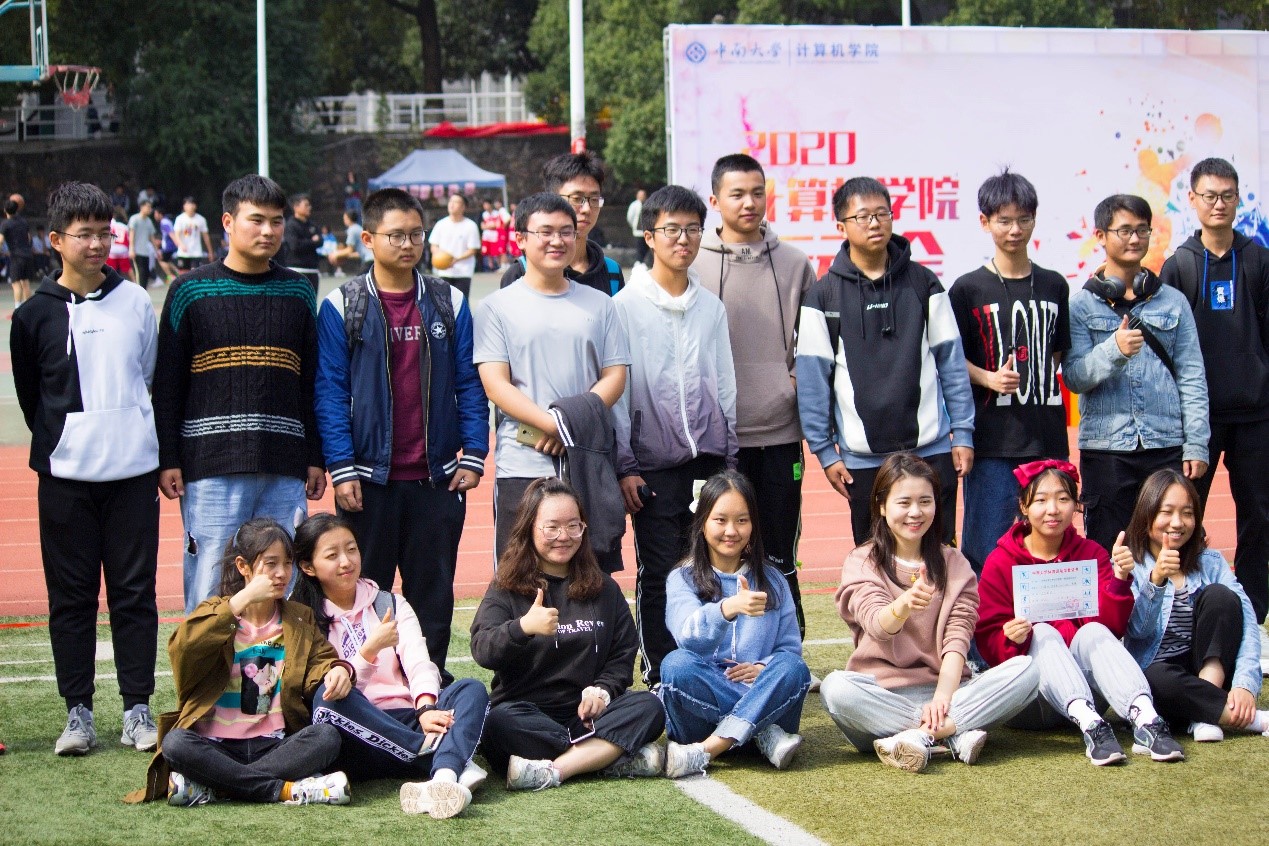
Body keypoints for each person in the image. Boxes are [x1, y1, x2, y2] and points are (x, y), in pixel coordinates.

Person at [10, 181, 161, 756]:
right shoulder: (32, 315)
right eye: (84, 234)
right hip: (66, 479)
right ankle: (78, 713)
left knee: (134, 595)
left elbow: (147, 375)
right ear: (55, 240)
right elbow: (34, 398)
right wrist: (67, 439)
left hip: (132, 475)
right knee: (70, 598)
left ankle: (137, 709)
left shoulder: (135, 301)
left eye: (105, 233)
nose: (97, 244)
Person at [315, 187, 489, 684]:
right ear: (369, 239)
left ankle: (428, 689)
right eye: (396, 235)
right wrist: (341, 466)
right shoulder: (342, 305)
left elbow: (469, 382)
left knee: (432, 597)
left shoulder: (449, 301)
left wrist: (475, 452)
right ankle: (367, 690)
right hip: (368, 481)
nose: (408, 244)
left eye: (416, 234)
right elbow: (330, 391)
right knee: (358, 593)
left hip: (436, 479)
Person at [154, 175, 326, 614]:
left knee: (282, 586)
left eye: (276, 221)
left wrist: (315, 455)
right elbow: (168, 384)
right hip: (211, 465)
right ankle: (206, 662)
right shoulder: (189, 291)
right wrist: (168, 457)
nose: (268, 231)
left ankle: (278, 663)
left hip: (283, 465)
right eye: (256, 220)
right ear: (228, 222)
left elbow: (310, 382)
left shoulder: (298, 292)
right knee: (211, 583)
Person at [820, 453, 1038, 773]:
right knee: (836, 688)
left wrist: (942, 700)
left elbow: (956, 642)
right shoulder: (862, 561)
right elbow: (877, 625)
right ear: (882, 506)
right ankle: (951, 732)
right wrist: (904, 605)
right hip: (882, 698)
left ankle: (922, 736)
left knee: (1027, 669)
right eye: (904, 502)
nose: (915, 512)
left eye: (925, 501)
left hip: (947, 693)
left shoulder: (955, 564)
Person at [796, 177, 975, 546]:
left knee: (938, 553)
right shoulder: (823, 296)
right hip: (862, 458)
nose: (874, 223)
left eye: (882, 214)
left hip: (931, 448)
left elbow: (951, 362)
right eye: (862, 216)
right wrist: (825, 452)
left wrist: (963, 432)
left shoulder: (924, 283)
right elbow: (813, 380)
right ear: (841, 226)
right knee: (872, 559)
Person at [127, 519, 353, 807]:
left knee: (326, 737)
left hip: (274, 744)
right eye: (270, 564)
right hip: (215, 746)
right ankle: (286, 791)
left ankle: (219, 786)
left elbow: (322, 660)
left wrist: (338, 669)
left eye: (287, 564)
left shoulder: (298, 616)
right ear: (243, 566)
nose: (282, 573)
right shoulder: (216, 612)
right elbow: (183, 648)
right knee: (175, 743)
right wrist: (240, 601)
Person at [974, 459, 1185, 764]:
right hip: (1032, 702)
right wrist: (1009, 638)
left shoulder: (1091, 554)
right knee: (1041, 632)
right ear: (1023, 506)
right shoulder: (1000, 561)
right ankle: (1092, 727)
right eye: (1041, 500)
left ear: (1075, 505)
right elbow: (988, 642)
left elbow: (1112, 629)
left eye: (1063, 499)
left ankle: (1147, 720)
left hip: (1091, 691)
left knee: (1093, 631)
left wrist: (1120, 580)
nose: (1053, 509)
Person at [613, 184, 737, 685]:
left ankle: (706, 669)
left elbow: (725, 384)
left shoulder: (711, 308)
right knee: (661, 572)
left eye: (692, 229)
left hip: (708, 461)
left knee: (708, 568)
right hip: (652, 464)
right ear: (649, 236)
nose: (683, 239)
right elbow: (618, 393)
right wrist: (627, 465)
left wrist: (730, 458)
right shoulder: (624, 306)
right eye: (671, 229)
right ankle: (661, 674)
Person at [470, 478, 666, 790]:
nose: (564, 536)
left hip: (587, 715)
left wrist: (602, 691)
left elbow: (622, 654)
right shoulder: (507, 587)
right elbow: (483, 648)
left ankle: (557, 769)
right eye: (552, 528)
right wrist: (522, 628)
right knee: (497, 723)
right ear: (530, 528)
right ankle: (607, 756)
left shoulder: (604, 588)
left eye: (573, 526)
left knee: (650, 706)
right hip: (527, 715)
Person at [290, 513, 490, 819]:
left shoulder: (388, 604)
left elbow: (419, 662)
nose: (346, 561)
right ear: (308, 567)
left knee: (470, 690)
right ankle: (444, 757)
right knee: (328, 698)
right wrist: (369, 651)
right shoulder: (302, 618)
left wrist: (425, 707)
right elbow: (330, 692)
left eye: (351, 549)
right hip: (356, 734)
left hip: (409, 718)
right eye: (332, 555)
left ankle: (443, 778)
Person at [695, 153, 818, 639]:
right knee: (719, 549)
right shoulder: (694, 262)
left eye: (757, 193)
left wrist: (792, 382)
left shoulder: (794, 264)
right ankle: (723, 648)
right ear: (715, 200)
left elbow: (814, 343)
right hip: (716, 437)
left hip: (780, 432)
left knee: (780, 549)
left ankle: (788, 648)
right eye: (737, 194)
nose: (749, 203)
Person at [474, 193, 629, 565]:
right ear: (521, 239)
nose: (557, 241)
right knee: (519, 576)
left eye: (566, 231)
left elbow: (615, 376)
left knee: (588, 576)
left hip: (587, 460)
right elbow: (496, 384)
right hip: (523, 462)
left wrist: (569, 428)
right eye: (545, 232)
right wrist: (553, 425)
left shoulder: (601, 304)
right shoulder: (496, 307)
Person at [1064, 193, 1209, 554]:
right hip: (1106, 450)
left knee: (1171, 549)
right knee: (1110, 552)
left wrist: (1196, 443)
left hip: (1166, 446)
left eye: (1142, 230)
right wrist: (1113, 349)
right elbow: (1075, 377)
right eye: (1125, 230)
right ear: (1101, 236)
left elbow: (1192, 377)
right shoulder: (1080, 305)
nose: (1134, 239)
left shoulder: (1173, 301)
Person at [1160, 157, 1269, 638]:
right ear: (1193, 200)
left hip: (1256, 413)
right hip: (1198, 419)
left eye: (1227, 195)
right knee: (1185, 513)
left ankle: (1254, 614)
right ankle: (1186, 607)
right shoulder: (1179, 265)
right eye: (1209, 196)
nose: (1219, 204)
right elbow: (1166, 346)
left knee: (1259, 515)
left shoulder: (1259, 260)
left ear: (1238, 198)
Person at [950, 169, 1071, 574]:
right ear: (985, 222)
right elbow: (950, 360)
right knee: (988, 550)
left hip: (1047, 438)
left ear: (1035, 220)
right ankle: (984, 620)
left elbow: (1058, 351)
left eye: (1023, 219)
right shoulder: (967, 289)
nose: (1015, 229)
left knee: (1049, 546)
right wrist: (988, 378)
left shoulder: (1055, 285)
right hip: (992, 443)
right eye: (1004, 220)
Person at [659, 470, 810, 778]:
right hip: (709, 710)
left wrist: (764, 668)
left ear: (753, 525)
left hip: (754, 696)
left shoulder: (773, 581)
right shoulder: (682, 578)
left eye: (742, 520)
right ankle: (760, 731)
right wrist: (727, 608)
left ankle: (708, 750)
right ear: (702, 523)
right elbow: (688, 637)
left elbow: (789, 650)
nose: (731, 531)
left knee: (792, 669)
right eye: (720, 520)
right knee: (675, 665)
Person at [1120, 470, 1267, 742]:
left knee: (1221, 596)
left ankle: (1203, 713)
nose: (1178, 522)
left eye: (1187, 513)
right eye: (1167, 512)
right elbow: (1137, 631)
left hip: (1210, 671)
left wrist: (1245, 684)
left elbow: (1246, 619)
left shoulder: (1210, 562)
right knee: (1154, 677)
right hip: (1164, 680)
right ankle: (1249, 719)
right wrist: (1156, 580)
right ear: (1146, 515)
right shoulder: (1131, 566)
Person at [500, 151, 625, 297]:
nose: (586, 209)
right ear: (552, 199)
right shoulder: (522, 272)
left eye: (594, 199)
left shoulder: (611, 272)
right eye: (577, 198)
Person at [428, 194, 480, 298]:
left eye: (456, 202)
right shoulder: (441, 224)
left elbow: (473, 249)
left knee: (461, 301)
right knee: (444, 302)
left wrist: (455, 259)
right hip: (444, 271)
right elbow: (434, 245)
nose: (451, 204)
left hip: (463, 272)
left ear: (463, 207)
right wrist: (440, 257)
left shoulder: (470, 226)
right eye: (450, 201)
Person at [283, 193, 323, 292]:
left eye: (309, 205)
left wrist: (307, 242)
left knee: (312, 299)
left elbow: (320, 241)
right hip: (297, 270)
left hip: (313, 270)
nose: (309, 207)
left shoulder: (312, 225)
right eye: (306, 205)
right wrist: (312, 241)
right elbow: (294, 246)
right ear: (296, 207)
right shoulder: (291, 225)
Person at [0, 197, 34, 310]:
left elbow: (0, 241)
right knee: (25, 283)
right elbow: (29, 238)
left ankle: (18, 309)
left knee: (16, 283)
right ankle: (29, 309)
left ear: (5, 210)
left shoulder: (5, 224)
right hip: (27, 255)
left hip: (16, 256)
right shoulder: (23, 222)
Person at [171, 196, 211, 273]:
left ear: (195, 206)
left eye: (192, 204)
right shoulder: (180, 219)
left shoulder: (201, 219)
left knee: (195, 273)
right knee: (183, 274)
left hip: (196, 252)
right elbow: (177, 234)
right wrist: (181, 244)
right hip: (183, 253)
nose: (190, 206)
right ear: (184, 206)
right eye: (188, 204)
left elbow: (205, 236)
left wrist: (210, 251)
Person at [328, 209, 370, 277]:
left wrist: (335, 254)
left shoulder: (352, 230)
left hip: (369, 261)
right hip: (372, 260)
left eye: (345, 218)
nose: (344, 220)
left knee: (358, 281)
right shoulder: (358, 228)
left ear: (348, 219)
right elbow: (358, 254)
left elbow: (349, 250)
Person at [128, 199, 159, 289]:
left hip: (146, 252)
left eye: (150, 207)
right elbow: (131, 234)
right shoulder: (134, 219)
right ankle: (138, 293)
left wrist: (157, 250)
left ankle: (144, 293)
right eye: (148, 207)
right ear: (142, 207)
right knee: (140, 275)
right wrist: (131, 249)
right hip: (137, 252)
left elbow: (151, 237)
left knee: (145, 275)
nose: (150, 209)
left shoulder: (149, 221)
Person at [106, 207, 132, 280]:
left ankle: (111, 281)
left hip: (113, 248)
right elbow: (128, 239)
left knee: (110, 268)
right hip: (123, 248)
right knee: (127, 268)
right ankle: (135, 281)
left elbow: (110, 237)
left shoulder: (111, 224)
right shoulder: (125, 226)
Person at [627, 188, 648, 266]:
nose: (642, 196)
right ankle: (639, 261)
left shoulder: (648, 204)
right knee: (639, 247)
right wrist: (633, 225)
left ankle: (643, 262)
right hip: (637, 230)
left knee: (646, 247)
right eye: (640, 195)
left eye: (643, 195)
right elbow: (630, 217)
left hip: (646, 230)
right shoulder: (634, 205)